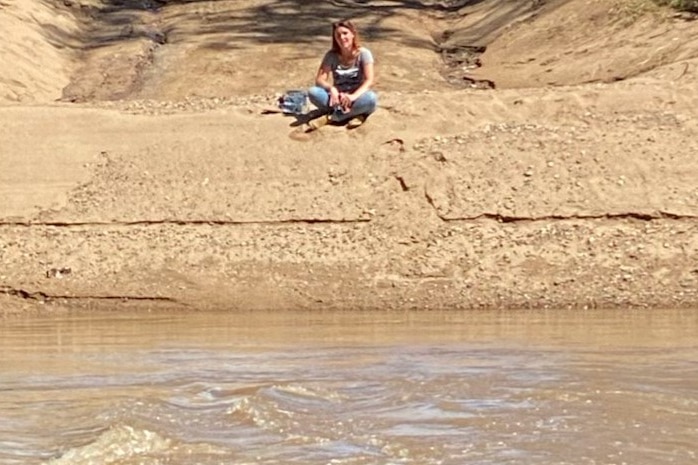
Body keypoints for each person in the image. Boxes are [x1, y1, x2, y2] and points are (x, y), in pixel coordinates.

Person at [306, 19, 377, 131]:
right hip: (338, 98)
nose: (342, 38)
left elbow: (369, 80)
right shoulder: (331, 55)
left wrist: (353, 96)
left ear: (353, 34)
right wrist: (332, 89)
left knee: (371, 99)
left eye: (345, 33)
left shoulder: (364, 54)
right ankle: (355, 114)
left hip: (357, 97)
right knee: (313, 92)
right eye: (338, 35)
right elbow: (320, 79)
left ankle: (333, 117)